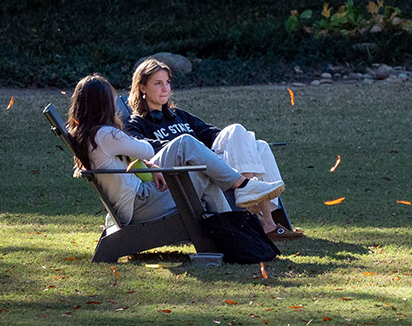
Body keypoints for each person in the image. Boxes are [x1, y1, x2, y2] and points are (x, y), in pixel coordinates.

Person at [64, 74, 284, 228]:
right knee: (185, 144)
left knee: (199, 170)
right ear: (103, 104)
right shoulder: (108, 135)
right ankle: (242, 190)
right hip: (141, 204)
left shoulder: (91, 135)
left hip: (134, 201)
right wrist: (150, 161)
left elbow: (138, 158)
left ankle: (237, 229)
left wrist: (152, 165)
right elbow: (147, 148)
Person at [125, 57, 303, 240]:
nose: (165, 89)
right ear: (142, 87)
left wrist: (241, 142)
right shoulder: (136, 123)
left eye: (168, 83)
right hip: (191, 172)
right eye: (158, 83)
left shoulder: (178, 115)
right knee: (238, 133)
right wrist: (197, 151)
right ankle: (257, 207)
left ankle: (267, 220)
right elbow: (141, 147)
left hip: (214, 165)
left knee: (259, 145)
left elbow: (210, 133)